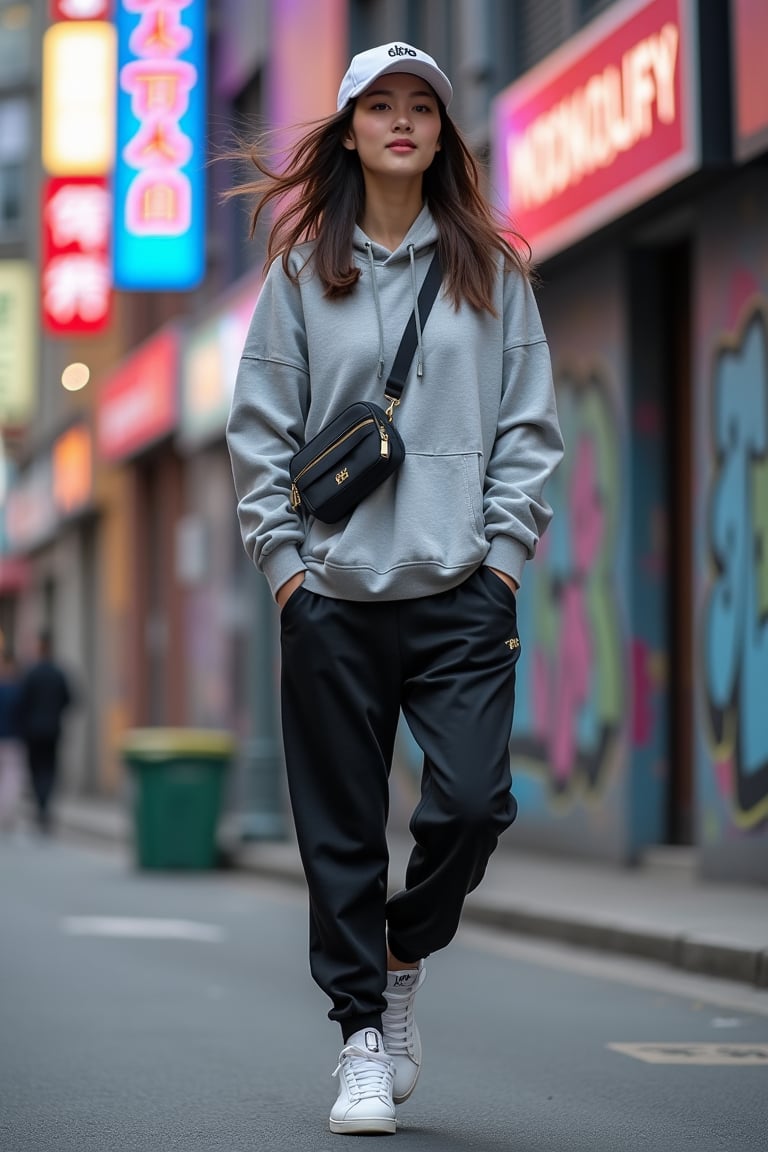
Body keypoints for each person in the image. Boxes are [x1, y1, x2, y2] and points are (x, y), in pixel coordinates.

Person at [226, 42, 563, 1135]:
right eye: (383, 106)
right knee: (338, 836)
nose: (404, 121)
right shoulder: (298, 273)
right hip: (333, 597)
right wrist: (287, 577)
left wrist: (504, 565)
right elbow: (260, 433)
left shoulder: (489, 268)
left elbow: (529, 430)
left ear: (442, 132)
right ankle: (361, 1041)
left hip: (462, 592)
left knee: (469, 806)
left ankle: (404, 948)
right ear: (351, 128)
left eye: (422, 105)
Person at [16, 631, 73, 834]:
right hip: (52, 729)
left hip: (32, 730)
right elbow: (70, 699)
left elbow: (20, 702)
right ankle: (44, 806)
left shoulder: (31, 674)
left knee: (36, 768)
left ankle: (41, 807)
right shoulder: (59, 673)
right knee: (49, 768)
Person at [0, 639, 24, 834]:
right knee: (12, 777)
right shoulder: (18, 690)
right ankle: (7, 814)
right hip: (13, 738)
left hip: (11, 738)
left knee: (9, 776)